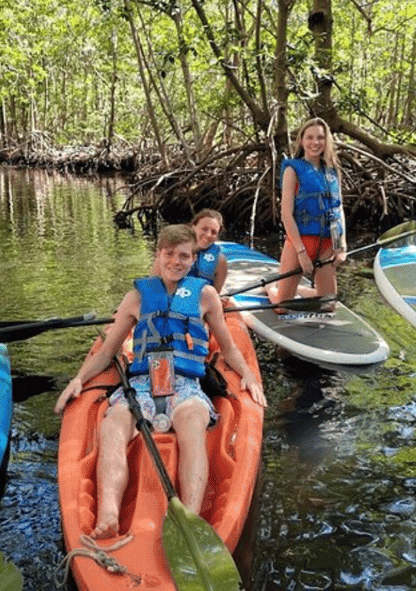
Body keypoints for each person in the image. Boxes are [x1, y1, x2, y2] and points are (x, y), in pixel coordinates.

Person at [53, 224, 267, 539]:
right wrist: (78, 379)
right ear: (159, 254)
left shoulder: (205, 295)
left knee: (193, 424)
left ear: (193, 260)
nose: (175, 262)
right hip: (140, 386)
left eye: (184, 256)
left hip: (184, 386)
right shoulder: (137, 297)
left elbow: (229, 347)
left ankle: (190, 519)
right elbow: (108, 351)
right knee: (113, 426)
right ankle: (109, 514)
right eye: (169, 254)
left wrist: (248, 374)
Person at [267, 117, 347, 309]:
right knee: (282, 307)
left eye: (320, 137)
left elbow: (338, 208)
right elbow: (286, 213)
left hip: (327, 244)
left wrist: (341, 244)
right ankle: (271, 288)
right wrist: (301, 252)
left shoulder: (333, 170)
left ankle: (302, 291)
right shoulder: (292, 169)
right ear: (302, 140)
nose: (315, 143)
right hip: (299, 243)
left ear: (326, 141)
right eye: (310, 137)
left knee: (328, 306)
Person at [151, 208, 228, 292]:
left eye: (214, 232)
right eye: (204, 229)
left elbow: (216, 293)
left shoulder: (220, 261)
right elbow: (153, 285)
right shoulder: (170, 252)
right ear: (193, 226)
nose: (208, 235)